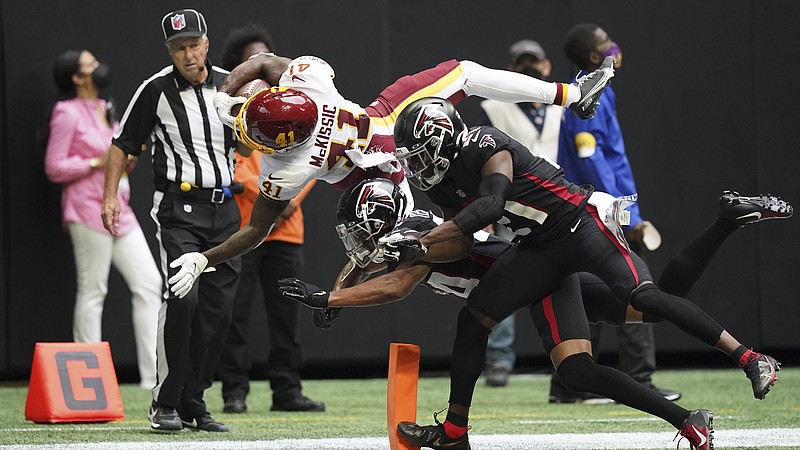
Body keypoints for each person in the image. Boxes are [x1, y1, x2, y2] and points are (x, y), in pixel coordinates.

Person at [384, 97, 784, 450]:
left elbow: (490, 206)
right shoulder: (443, 184)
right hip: (538, 248)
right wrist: (425, 247)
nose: (417, 165)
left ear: (443, 138)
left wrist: (423, 241)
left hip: (579, 222)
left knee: (643, 297)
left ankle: (750, 358)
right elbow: (463, 239)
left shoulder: (484, 144)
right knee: (483, 325)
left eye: (420, 154)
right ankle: (455, 432)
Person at [279, 178, 791, 449]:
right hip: (532, 277)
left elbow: (396, 284)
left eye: (361, 233)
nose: (357, 244)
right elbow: (376, 258)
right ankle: (726, 221)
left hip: (536, 277)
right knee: (660, 300)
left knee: (576, 369)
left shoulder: (419, 242)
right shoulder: (409, 227)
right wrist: (343, 285)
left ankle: (686, 421)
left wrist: (329, 299)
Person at [165, 48, 616, 303]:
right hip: (387, 119)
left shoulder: (287, 165)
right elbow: (265, 61)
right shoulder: (308, 80)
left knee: (416, 254)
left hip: (386, 179)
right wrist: (230, 97)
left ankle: (519, 279)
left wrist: (206, 258)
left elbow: (257, 230)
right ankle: (571, 93)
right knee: (466, 73)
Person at [101, 9, 240, 432]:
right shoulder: (156, 90)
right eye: (178, 48)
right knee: (184, 298)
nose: (187, 54)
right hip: (180, 211)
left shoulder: (231, 84)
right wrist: (109, 197)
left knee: (218, 310)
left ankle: (194, 401)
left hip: (225, 209)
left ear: (206, 43)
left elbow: (250, 146)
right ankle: (165, 401)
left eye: (193, 44)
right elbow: (122, 144)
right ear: (170, 52)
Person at [553, 23, 679, 404]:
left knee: (592, 292)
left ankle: (569, 385)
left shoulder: (600, 92)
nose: (614, 47)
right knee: (635, 288)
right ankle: (630, 377)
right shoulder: (585, 97)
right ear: (595, 57)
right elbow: (592, 160)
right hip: (599, 211)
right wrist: (626, 214)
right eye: (606, 43)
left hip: (598, 209)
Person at [215, 23, 324, 414]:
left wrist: (289, 194)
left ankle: (287, 391)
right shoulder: (233, 110)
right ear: (236, 67)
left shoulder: (296, 102)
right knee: (236, 314)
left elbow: (315, 156)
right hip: (245, 227)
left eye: (263, 57)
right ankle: (234, 391)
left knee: (286, 316)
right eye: (248, 60)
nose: (257, 64)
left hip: (287, 232)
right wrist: (271, 195)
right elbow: (233, 164)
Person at [44, 49, 161, 390]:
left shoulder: (106, 107)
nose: (98, 68)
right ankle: (89, 382)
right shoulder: (66, 112)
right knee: (94, 290)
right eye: (90, 65)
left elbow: (120, 151)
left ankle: (152, 378)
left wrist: (123, 162)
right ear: (77, 78)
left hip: (121, 210)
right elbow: (54, 166)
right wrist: (97, 162)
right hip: (87, 209)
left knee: (149, 285)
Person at [477, 39, 565, 387]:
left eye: (535, 62)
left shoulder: (562, 110)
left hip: (559, 207)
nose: (529, 68)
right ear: (511, 71)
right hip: (513, 208)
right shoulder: (493, 107)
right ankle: (498, 359)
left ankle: (567, 356)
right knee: (502, 280)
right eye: (521, 64)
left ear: (546, 67)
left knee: (566, 282)